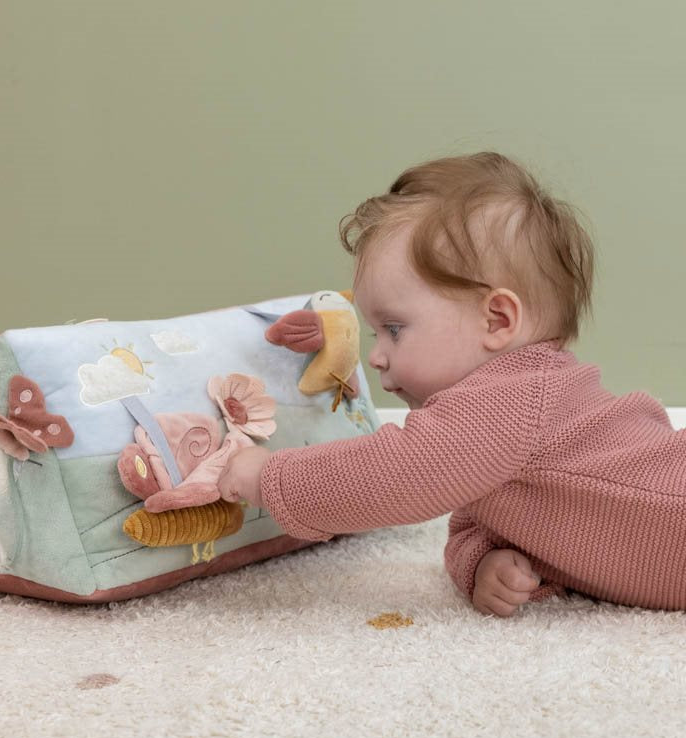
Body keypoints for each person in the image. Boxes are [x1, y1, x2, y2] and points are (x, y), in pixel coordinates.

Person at [217, 151, 686, 617]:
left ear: (497, 320)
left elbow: (396, 474)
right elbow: (467, 521)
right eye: (374, 332)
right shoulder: (491, 442)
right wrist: (482, 563)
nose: (375, 355)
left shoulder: (512, 398)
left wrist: (269, 477)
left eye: (394, 329)